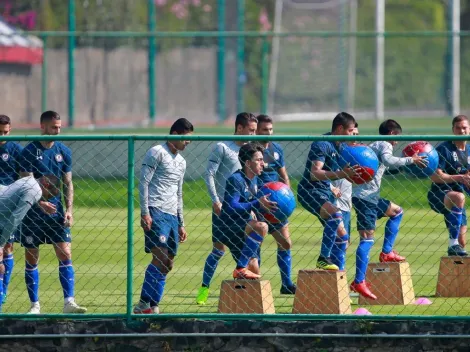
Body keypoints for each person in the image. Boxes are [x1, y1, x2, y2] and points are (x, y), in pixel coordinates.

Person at [350, 119, 427, 300]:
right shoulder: (384, 143)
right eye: (397, 138)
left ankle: (387, 252)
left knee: (397, 211)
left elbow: (385, 167)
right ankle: (358, 281)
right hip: (365, 198)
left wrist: (408, 165)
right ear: (392, 133)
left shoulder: (376, 144)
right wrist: (411, 159)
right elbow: (388, 160)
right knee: (367, 239)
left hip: (369, 197)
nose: (396, 143)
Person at [19, 111, 87, 314]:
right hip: (32, 214)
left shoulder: (63, 151)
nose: (58, 130)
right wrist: (40, 203)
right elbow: (26, 184)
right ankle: (35, 305)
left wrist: (69, 211)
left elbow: (68, 183)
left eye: (59, 127)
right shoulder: (29, 152)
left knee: (65, 253)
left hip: (56, 213)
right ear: (43, 127)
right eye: (54, 127)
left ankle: (69, 302)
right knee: (32, 257)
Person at [196, 113, 257, 305]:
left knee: (251, 253)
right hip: (225, 210)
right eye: (251, 130)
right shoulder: (222, 147)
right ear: (239, 128)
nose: (254, 135)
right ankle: (204, 289)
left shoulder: (251, 152)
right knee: (218, 250)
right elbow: (209, 174)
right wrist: (216, 200)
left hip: (243, 210)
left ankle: (248, 297)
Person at [134, 118, 194, 314]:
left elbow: (179, 192)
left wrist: (181, 222)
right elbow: (143, 182)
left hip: (172, 216)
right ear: (175, 135)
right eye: (186, 138)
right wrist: (145, 212)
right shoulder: (156, 152)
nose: (188, 143)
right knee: (159, 258)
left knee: (168, 263)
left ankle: (153, 304)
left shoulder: (182, 162)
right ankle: (144, 304)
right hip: (156, 210)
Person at [297, 112, 360, 270]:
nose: (353, 134)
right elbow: (314, 173)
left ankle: (336, 282)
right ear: (340, 128)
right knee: (334, 214)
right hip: (309, 190)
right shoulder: (322, 144)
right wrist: (341, 174)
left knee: (343, 238)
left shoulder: (343, 146)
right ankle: (323, 258)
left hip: (325, 191)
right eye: (350, 131)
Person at [0, 175, 61, 312]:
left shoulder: (29, 180)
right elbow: (15, 218)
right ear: (45, 184)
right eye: (48, 195)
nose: (45, 198)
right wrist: (2, 243)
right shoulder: (36, 191)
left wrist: (39, 203)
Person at [218, 142, 277, 280]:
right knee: (262, 226)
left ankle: (241, 296)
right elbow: (231, 207)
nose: (263, 163)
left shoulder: (255, 180)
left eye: (263, 160)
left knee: (254, 268)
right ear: (247, 163)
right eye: (259, 160)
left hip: (244, 225)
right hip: (231, 227)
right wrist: (257, 203)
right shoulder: (236, 179)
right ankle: (240, 268)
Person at [255, 114, 296, 294]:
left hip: (278, 205)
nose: (269, 133)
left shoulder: (276, 149)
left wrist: (287, 196)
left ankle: (286, 284)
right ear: (256, 131)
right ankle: (254, 282)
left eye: (271, 129)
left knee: (286, 243)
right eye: (265, 130)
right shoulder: (251, 151)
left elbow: (284, 175)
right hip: (258, 204)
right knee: (255, 245)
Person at [428, 114, 470, 257]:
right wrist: (461, 177)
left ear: (469, 129)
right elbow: (435, 176)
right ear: (453, 130)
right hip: (439, 194)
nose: (461, 131)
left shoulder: (469, 150)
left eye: (464, 128)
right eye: (458, 128)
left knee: (462, 242)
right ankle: (452, 244)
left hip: (460, 199)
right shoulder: (444, 149)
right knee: (458, 197)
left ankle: (455, 277)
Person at [0, 115, 23, 303]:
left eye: (5, 132)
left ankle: (2, 290)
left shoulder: (16, 149)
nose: (2, 136)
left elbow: (23, 178)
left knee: (7, 248)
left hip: (9, 207)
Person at [330, 124, 359, 270]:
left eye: (356, 135)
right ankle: (337, 276)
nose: (354, 138)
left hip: (346, 203)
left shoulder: (355, 154)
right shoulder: (334, 151)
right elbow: (320, 172)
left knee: (345, 243)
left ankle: (334, 276)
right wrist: (331, 187)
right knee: (341, 238)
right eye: (352, 134)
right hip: (335, 203)